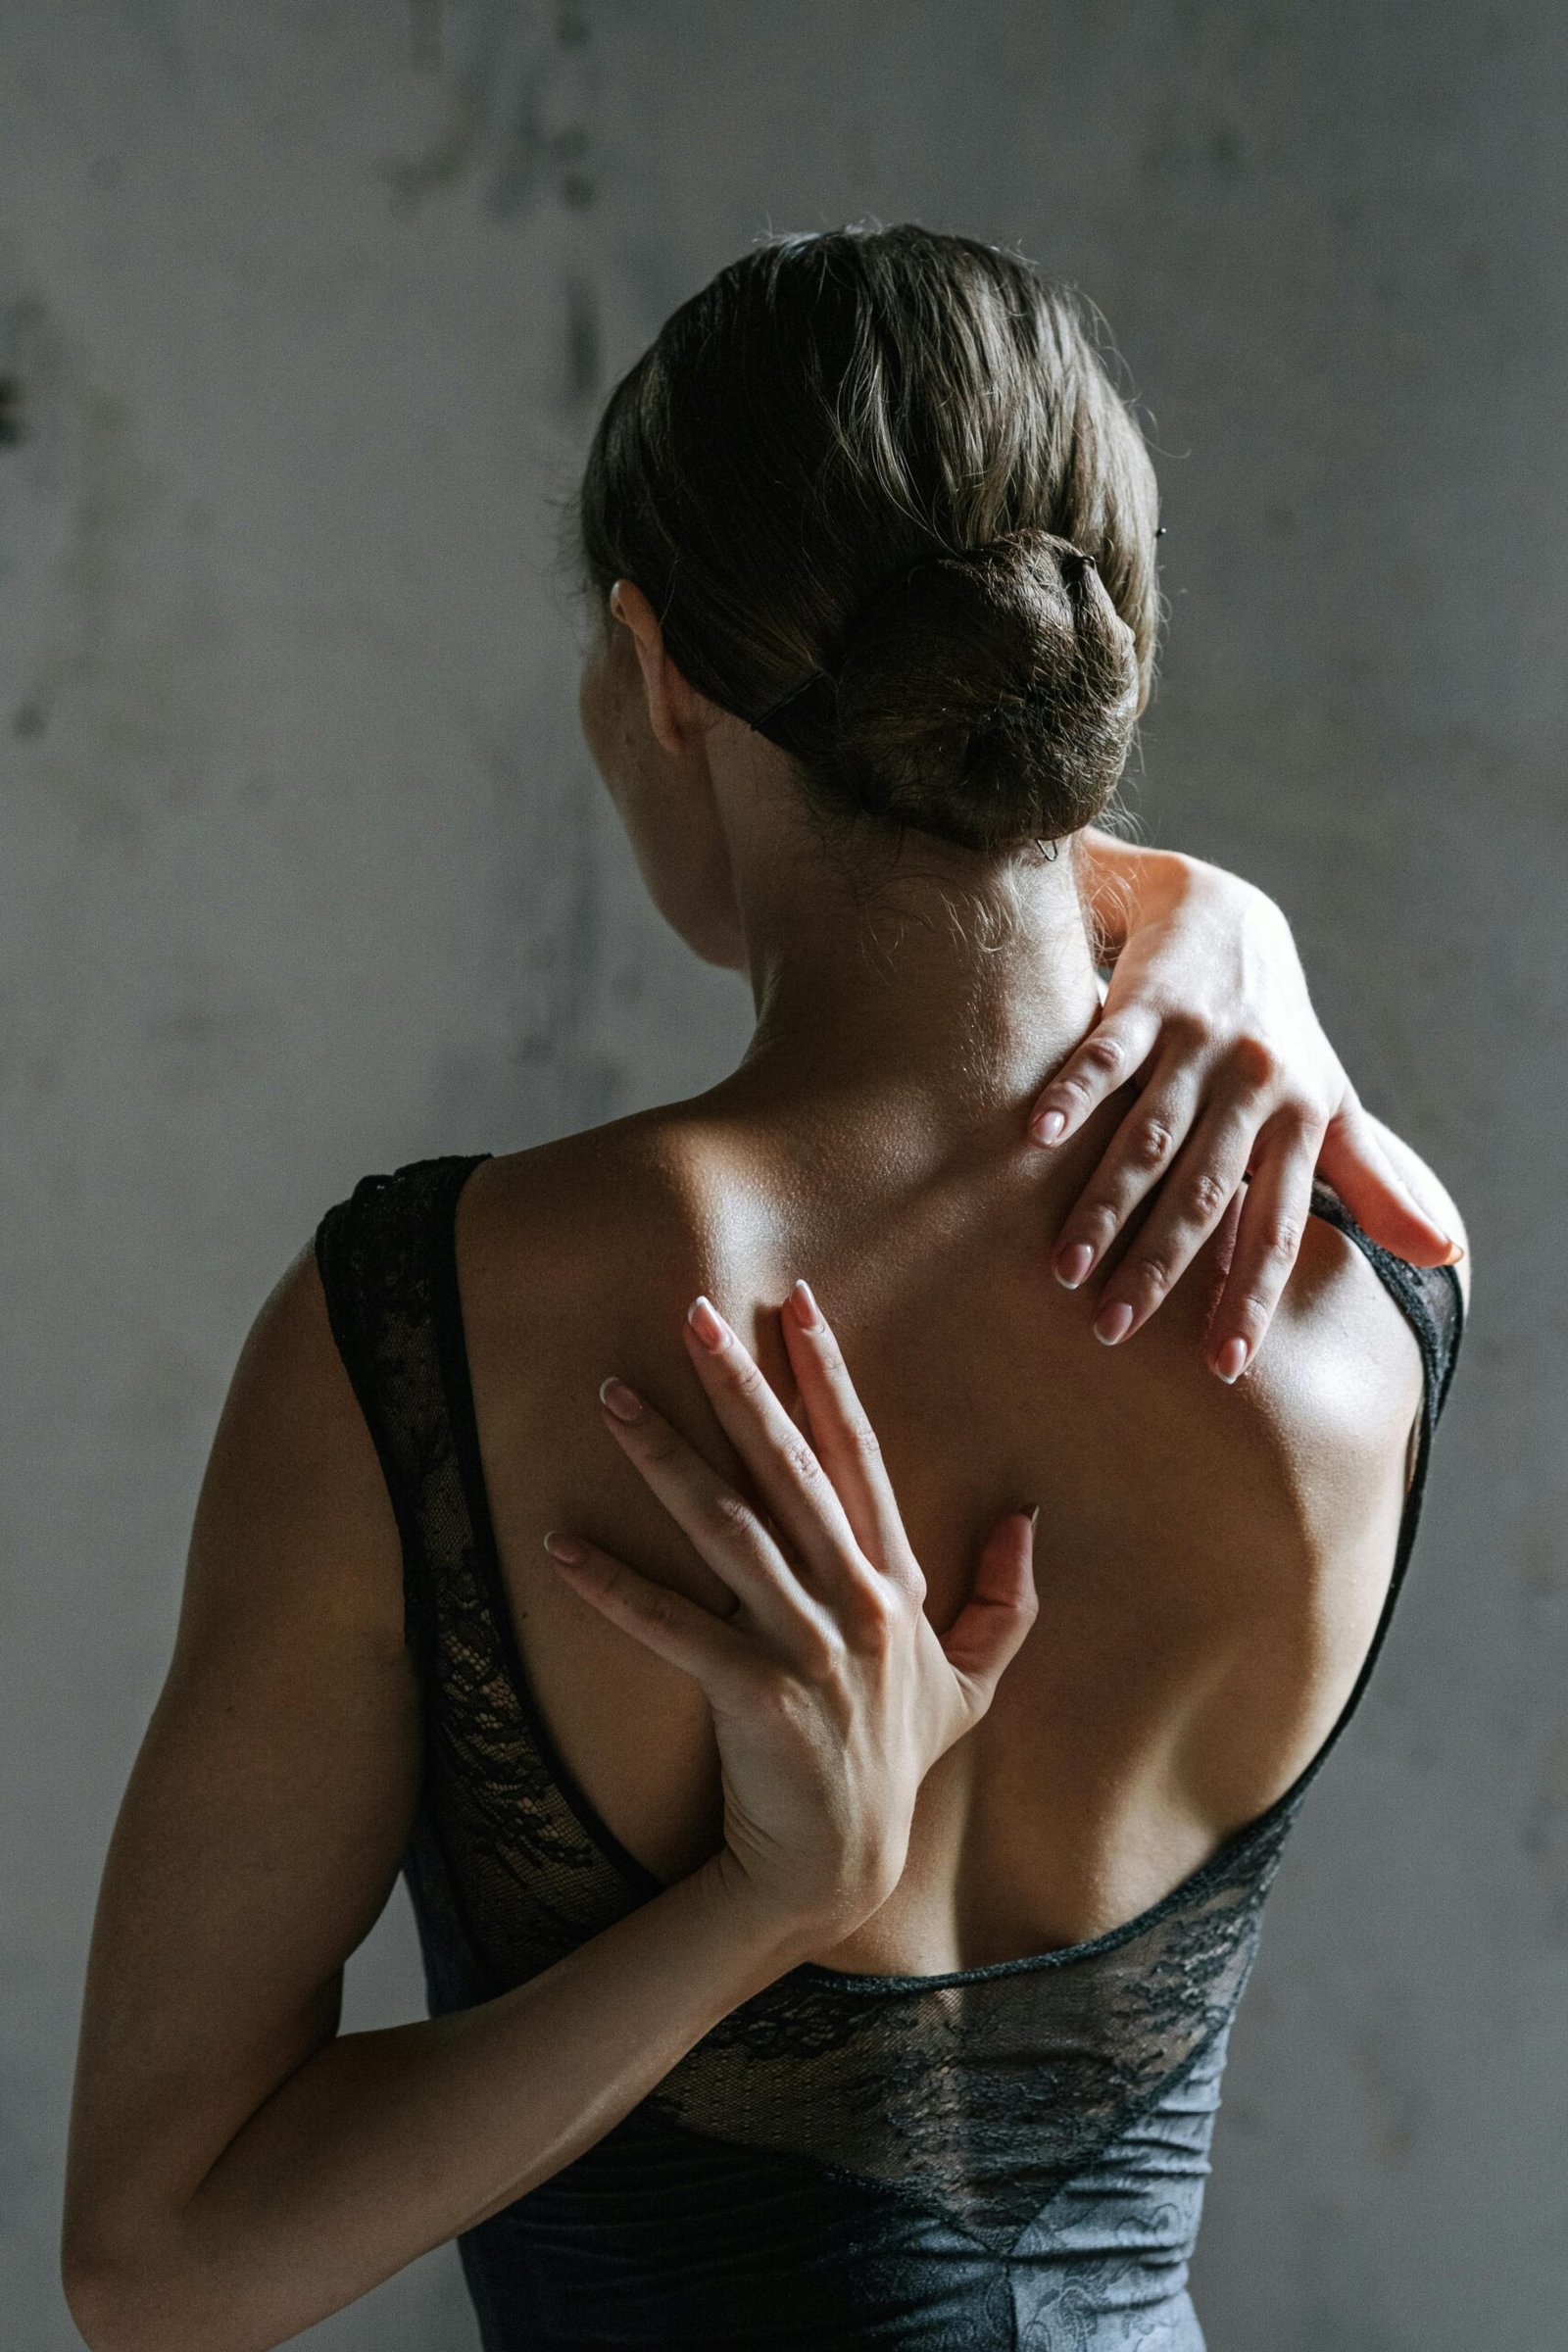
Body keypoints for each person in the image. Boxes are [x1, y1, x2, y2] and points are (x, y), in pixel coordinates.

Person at [63, 225, 1467, 2351]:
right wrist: (1203, 903)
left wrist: (767, 1906)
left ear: (657, 669)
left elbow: (163, 2270)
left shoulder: (427, 1324)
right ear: (1096, 653)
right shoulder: (1367, 1266)